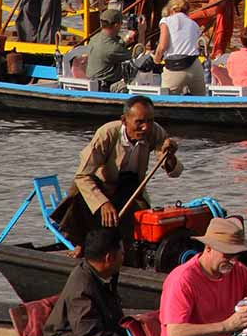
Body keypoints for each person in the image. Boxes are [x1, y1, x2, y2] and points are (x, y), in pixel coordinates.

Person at [70, 96, 180, 236]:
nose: (145, 127)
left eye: (150, 121)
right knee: (77, 193)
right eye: (139, 122)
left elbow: (173, 170)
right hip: (104, 185)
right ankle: (79, 241)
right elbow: (82, 175)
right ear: (124, 120)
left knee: (142, 217)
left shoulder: (155, 132)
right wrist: (102, 203)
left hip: (131, 187)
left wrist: (170, 157)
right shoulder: (107, 134)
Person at [41, 227, 133, 336]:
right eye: (122, 253)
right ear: (109, 258)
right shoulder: (82, 286)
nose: (123, 258)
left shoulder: (104, 276)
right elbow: (88, 334)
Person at [83, 6, 148, 92]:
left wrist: (127, 38)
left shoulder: (95, 38)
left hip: (94, 82)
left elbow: (112, 47)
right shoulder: (113, 48)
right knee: (137, 83)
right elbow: (138, 56)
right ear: (116, 25)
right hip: (106, 88)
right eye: (121, 23)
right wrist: (142, 32)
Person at [156, 0, 207, 95]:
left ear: (171, 10)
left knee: (167, 100)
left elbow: (163, 46)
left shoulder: (166, 21)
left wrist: (156, 59)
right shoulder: (194, 24)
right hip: (195, 66)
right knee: (201, 99)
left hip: (175, 66)